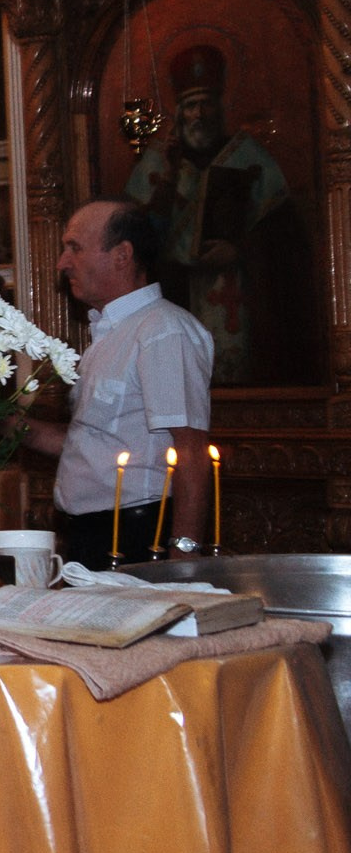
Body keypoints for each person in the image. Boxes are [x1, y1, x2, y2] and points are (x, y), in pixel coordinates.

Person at [19, 199, 212, 568]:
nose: (62, 263)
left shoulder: (162, 330)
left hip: (138, 533)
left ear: (122, 255)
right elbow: (91, 444)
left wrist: (183, 555)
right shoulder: (110, 333)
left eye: (74, 248)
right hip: (91, 534)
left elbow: (190, 446)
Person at [124, 45, 308, 385]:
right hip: (175, 295)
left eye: (206, 103)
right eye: (190, 105)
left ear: (220, 106)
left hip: (238, 297)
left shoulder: (250, 158)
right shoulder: (156, 163)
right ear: (179, 112)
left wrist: (239, 251)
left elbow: (285, 237)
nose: (199, 114)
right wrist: (168, 183)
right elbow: (134, 241)